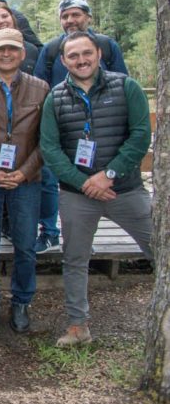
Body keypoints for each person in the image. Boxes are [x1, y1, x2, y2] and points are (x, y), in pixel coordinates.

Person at [39, 31, 152, 347]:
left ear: (99, 54)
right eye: (72, 56)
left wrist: (109, 174)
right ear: (63, 61)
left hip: (125, 190)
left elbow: (140, 135)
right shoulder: (56, 98)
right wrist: (85, 183)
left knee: (160, 245)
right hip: (78, 195)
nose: (81, 60)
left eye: (86, 53)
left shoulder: (126, 87)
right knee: (74, 259)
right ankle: (78, 326)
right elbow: (50, 148)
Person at [33, 0, 130, 253]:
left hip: (101, 129)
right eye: (65, 16)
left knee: (92, 180)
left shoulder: (107, 47)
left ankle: (85, 238)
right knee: (51, 181)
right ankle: (50, 232)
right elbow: (38, 87)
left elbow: (124, 83)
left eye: (76, 14)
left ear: (88, 16)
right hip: (61, 128)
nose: (70, 20)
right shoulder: (52, 49)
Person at [0, 29, 49, 333]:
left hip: (27, 179)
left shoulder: (41, 88)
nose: (6, 54)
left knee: (25, 245)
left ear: (22, 53)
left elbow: (48, 139)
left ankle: (21, 301)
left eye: (12, 49)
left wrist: (24, 171)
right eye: (0, 49)